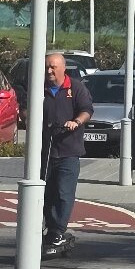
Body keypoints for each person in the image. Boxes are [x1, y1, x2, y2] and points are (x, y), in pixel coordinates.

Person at [41, 52, 94, 252]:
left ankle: (58, 231)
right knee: (45, 192)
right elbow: (26, 108)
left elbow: (87, 110)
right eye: (47, 67)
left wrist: (76, 122)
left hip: (68, 150)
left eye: (53, 67)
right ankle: (46, 228)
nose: (49, 71)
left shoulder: (76, 88)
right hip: (45, 151)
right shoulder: (40, 88)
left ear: (63, 68)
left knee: (64, 193)